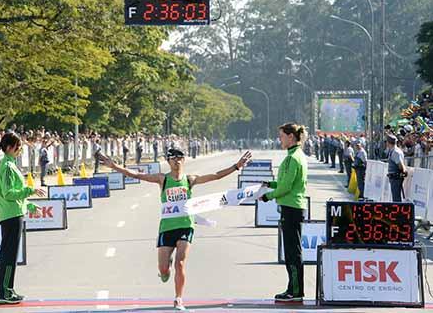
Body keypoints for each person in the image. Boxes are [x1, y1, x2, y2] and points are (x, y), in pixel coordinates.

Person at [99, 148, 252, 310]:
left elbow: (215, 176)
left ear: (183, 160)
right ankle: (165, 269)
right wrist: (113, 166)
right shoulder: (162, 179)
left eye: (180, 158)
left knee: (180, 264)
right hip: (167, 228)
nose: (177, 161)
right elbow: (136, 175)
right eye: (173, 158)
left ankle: (178, 298)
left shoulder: (190, 180)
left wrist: (237, 166)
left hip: (186, 226)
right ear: (168, 161)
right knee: (163, 270)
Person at [0, 132, 46, 304]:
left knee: (9, 254)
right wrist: (30, 190)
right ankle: (5, 292)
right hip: (10, 215)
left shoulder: (9, 164)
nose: (20, 150)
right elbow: (8, 193)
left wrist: (29, 205)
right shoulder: (8, 167)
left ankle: (7, 289)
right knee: (9, 255)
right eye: (18, 147)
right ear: (9, 147)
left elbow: (15, 195)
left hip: (13, 212)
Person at [261, 123, 308, 302]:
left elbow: (286, 187)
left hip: (291, 208)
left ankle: (295, 291)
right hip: (294, 207)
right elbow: (287, 182)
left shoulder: (292, 158)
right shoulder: (297, 155)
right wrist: (270, 184)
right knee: (292, 251)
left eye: (281, 136)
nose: (279, 139)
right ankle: (293, 288)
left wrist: (268, 196)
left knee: (292, 252)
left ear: (290, 137)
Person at [386, 134, 407, 202]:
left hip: (396, 177)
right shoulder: (395, 151)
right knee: (396, 197)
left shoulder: (395, 152)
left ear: (388, 142)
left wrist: (403, 171)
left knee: (396, 198)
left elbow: (400, 165)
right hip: (395, 177)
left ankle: (398, 212)